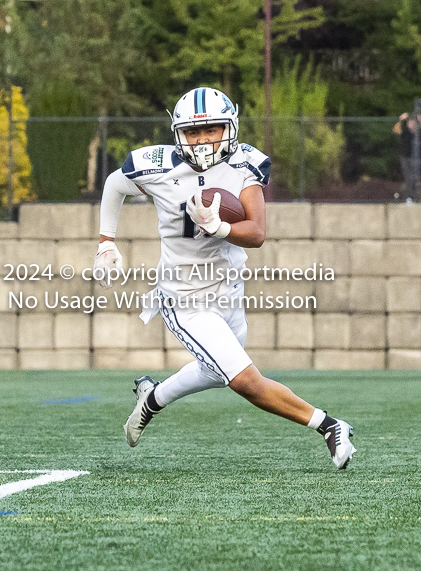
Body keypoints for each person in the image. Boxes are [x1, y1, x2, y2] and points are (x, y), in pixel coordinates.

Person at [93, 87, 357, 469]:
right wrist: (106, 242)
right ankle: (328, 425)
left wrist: (220, 229)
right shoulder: (155, 165)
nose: (202, 140)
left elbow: (257, 232)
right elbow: (114, 185)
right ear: (178, 133)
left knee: (215, 372)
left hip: (230, 290)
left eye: (212, 129)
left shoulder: (245, 164)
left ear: (229, 128)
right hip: (184, 296)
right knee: (244, 380)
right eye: (193, 132)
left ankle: (150, 398)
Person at [393, 112, 421, 203]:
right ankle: (408, 197)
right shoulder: (405, 131)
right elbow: (396, 130)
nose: (412, 124)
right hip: (406, 157)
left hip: (416, 158)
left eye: (413, 122)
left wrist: (420, 120)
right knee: (408, 178)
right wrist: (400, 120)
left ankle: (416, 197)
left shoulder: (418, 133)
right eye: (410, 122)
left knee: (416, 178)